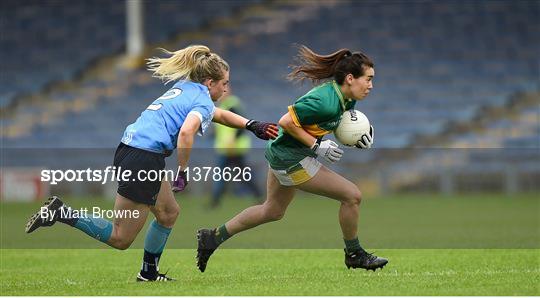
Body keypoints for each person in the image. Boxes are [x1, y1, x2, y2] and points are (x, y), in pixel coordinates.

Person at [24, 45, 279, 282]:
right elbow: (186, 133)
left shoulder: (187, 87)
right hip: (143, 159)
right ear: (209, 82)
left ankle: (148, 273)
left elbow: (216, 114)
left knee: (168, 213)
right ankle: (61, 212)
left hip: (136, 151)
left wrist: (251, 124)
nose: (226, 89)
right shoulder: (201, 99)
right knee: (121, 237)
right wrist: (182, 170)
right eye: (224, 83)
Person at [196, 45, 388, 272]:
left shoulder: (346, 99)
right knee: (352, 196)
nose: (371, 86)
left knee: (272, 211)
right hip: (290, 159)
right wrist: (316, 145)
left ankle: (213, 237)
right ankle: (354, 253)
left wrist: (357, 135)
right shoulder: (325, 101)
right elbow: (286, 122)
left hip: (283, 153)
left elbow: (335, 122)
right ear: (350, 78)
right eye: (368, 79)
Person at [211, 88, 262, 208]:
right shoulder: (224, 105)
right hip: (226, 148)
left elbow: (242, 125)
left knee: (232, 175)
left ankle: (215, 202)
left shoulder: (232, 104)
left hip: (233, 148)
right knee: (236, 174)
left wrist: (232, 140)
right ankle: (215, 201)